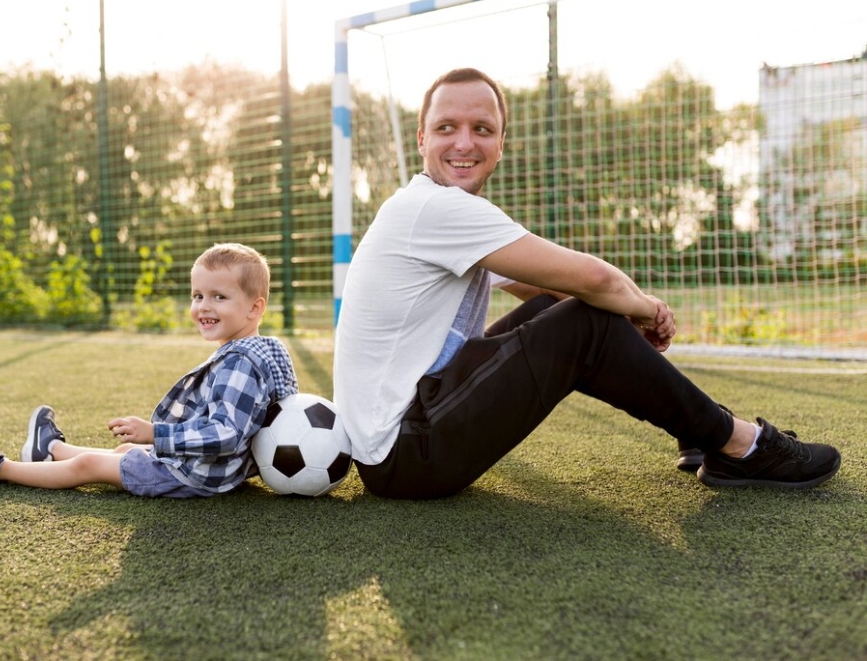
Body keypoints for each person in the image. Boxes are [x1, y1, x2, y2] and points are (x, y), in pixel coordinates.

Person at [333, 67, 841, 500]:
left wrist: (618, 312)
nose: (465, 142)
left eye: (482, 129)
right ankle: (740, 445)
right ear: (422, 138)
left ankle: (703, 433)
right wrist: (643, 309)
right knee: (586, 320)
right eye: (447, 127)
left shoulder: (444, 211)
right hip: (404, 452)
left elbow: (548, 294)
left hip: (409, 434)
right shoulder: (432, 209)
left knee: (572, 313)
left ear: (501, 144)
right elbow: (592, 277)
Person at [0, 242, 298, 498]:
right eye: (197, 296)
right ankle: (49, 449)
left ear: (254, 308)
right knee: (120, 455)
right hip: (213, 470)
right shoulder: (265, 350)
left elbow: (226, 434)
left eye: (219, 297)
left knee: (89, 469)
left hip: (197, 475)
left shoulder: (240, 362)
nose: (204, 306)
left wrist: (155, 434)